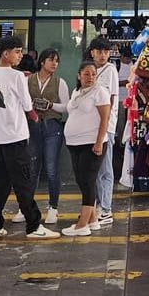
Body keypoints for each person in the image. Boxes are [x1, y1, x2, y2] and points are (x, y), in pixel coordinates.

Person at [0, 36, 59, 240]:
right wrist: (34, 118)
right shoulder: (17, 76)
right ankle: (33, 225)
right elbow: (27, 105)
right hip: (15, 136)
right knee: (24, 182)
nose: (20, 55)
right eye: (17, 51)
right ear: (6, 54)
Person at [61, 62, 113, 237]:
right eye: (86, 74)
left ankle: (82, 224)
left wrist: (99, 143)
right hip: (74, 143)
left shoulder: (100, 92)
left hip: (91, 143)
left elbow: (105, 120)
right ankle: (92, 219)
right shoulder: (77, 92)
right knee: (82, 180)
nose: (90, 77)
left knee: (88, 180)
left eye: (93, 74)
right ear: (79, 75)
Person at [27, 49, 69, 224]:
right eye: (51, 60)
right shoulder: (28, 80)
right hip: (33, 125)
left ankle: (53, 207)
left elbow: (66, 106)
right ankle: (27, 207)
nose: (54, 63)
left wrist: (51, 105)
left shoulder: (60, 82)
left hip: (52, 125)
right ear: (42, 61)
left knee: (52, 168)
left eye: (57, 61)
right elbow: (21, 101)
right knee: (32, 168)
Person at [88, 37, 120, 228]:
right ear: (92, 52)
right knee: (95, 170)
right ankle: (97, 206)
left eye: (106, 52)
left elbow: (112, 100)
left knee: (105, 169)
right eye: (99, 51)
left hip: (106, 126)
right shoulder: (89, 71)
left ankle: (106, 209)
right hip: (90, 126)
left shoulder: (111, 71)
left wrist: (107, 126)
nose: (103, 55)